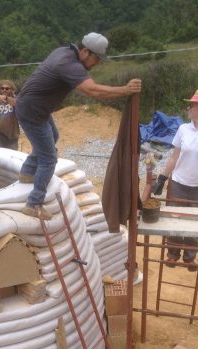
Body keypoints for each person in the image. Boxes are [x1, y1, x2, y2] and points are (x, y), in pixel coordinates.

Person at [15, 32, 142, 219]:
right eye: (96, 59)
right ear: (84, 52)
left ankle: (27, 173)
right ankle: (34, 203)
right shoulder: (69, 64)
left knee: (53, 137)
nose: (96, 64)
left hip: (35, 108)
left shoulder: (63, 52)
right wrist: (124, 90)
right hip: (33, 111)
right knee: (49, 159)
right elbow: (92, 90)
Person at [152, 88, 198, 271]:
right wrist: (162, 178)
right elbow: (173, 157)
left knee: (197, 220)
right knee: (175, 218)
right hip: (178, 183)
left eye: (191, 105)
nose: (188, 108)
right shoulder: (184, 129)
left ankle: (190, 256)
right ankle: (173, 253)